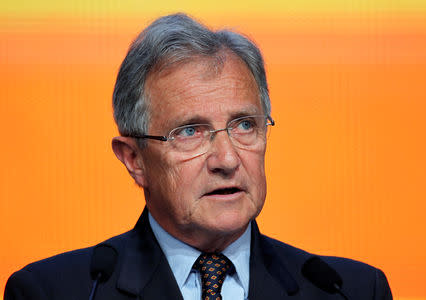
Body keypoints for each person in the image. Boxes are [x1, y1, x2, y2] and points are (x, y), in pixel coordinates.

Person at [4, 13, 392, 300]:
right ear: (134, 159)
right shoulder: (59, 291)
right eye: (189, 131)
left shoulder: (349, 291)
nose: (227, 159)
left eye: (244, 125)